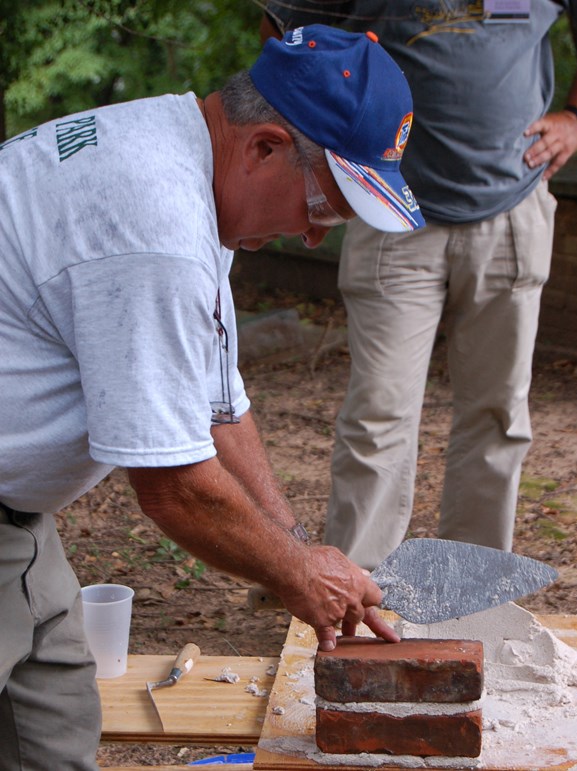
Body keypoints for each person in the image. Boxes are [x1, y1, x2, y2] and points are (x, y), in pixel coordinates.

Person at [0, 25, 426, 770]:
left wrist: (298, 544)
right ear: (264, 148)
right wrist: (298, 575)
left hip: (18, 516)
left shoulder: (181, 152)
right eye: (322, 209)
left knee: (55, 713)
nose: (312, 238)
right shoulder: (155, 227)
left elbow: (217, 406)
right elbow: (173, 487)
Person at [261, 2, 577, 570]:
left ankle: (473, 591)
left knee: (498, 415)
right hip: (389, 209)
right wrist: (319, 135)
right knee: (377, 414)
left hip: (510, 207)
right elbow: (282, 30)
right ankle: (358, 595)